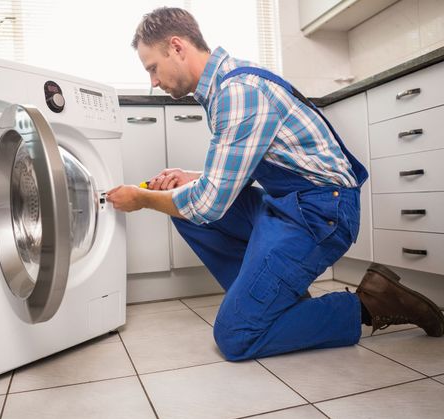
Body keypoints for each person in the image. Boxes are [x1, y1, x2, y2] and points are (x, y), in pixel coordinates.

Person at [106, 7, 444, 360]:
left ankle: (369, 304)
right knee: (184, 208)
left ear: (176, 47)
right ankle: (276, 301)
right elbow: (249, 165)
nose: (153, 82)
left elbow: (209, 204)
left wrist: (142, 199)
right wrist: (193, 177)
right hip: (288, 204)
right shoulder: (225, 86)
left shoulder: (237, 92)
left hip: (322, 212)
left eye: (152, 68)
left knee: (236, 336)